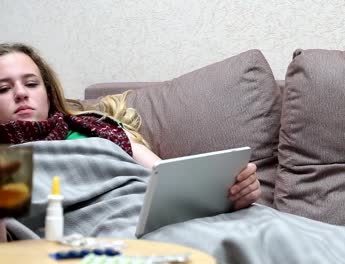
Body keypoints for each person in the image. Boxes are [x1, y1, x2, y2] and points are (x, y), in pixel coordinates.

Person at [0, 43, 261, 242]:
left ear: (47, 92)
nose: (21, 93)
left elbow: (172, 183)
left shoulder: (95, 126)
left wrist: (232, 195)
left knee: (266, 229)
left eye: (31, 83)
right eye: (3, 88)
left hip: (157, 221)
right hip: (105, 242)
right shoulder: (6, 161)